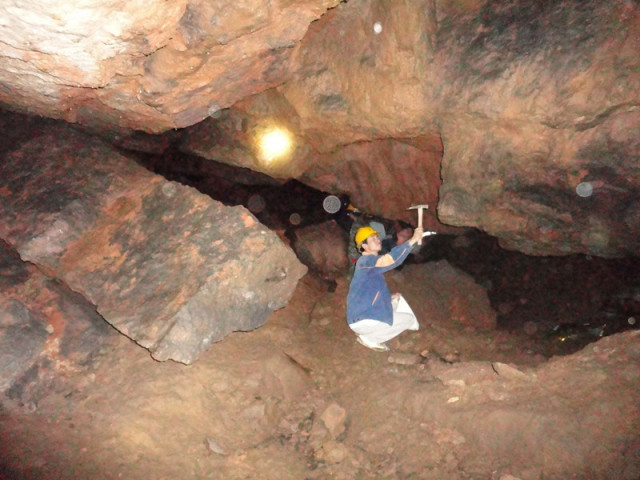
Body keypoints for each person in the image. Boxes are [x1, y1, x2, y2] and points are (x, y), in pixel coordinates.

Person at [346, 224, 424, 351]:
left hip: (360, 317)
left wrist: (390, 297)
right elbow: (391, 260)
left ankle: (371, 332)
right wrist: (412, 241)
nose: (377, 240)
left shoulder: (370, 267)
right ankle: (371, 339)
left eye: (376, 237)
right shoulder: (366, 261)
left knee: (396, 301)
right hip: (364, 318)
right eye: (372, 238)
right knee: (409, 319)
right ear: (364, 246)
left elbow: (372, 293)